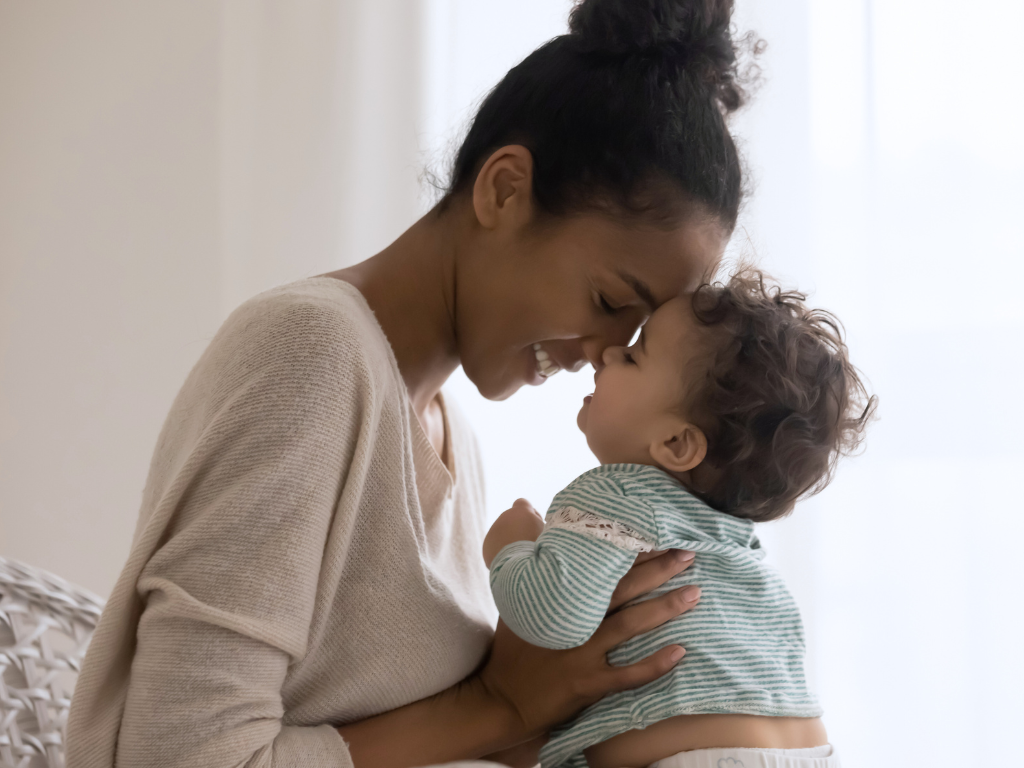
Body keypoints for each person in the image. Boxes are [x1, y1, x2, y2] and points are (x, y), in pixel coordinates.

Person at [65, 1, 759, 766]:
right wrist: (498, 704)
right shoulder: (312, 355)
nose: (603, 353)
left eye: (635, 336)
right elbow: (180, 755)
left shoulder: (450, 432)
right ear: (503, 190)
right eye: (605, 302)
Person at [483, 271, 877, 768]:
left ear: (676, 444)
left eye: (632, 355)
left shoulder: (619, 491)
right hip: (811, 749)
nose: (607, 353)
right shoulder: (738, 548)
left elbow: (551, 614)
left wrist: (510, 547)